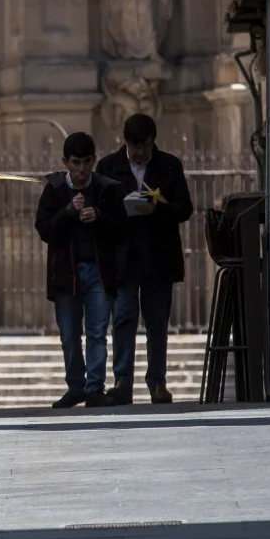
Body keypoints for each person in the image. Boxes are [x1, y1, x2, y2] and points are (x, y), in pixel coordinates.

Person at [95, 113, 193, 405]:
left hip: (158, 256)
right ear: (124, 142)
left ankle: (157, 383)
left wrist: (157, 211)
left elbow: (185, 208)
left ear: (153, 141)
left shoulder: (169, 166)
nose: (139, 152)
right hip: (123, 257)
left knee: (157, 322)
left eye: (145, 146)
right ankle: (123, 382)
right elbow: (100, 212)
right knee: (123, 318)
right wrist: (121, 212)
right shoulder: (109, 167)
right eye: (134, 146)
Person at [35, 132, 128, 409]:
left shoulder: (107, 189)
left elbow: (122, 228)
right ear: (66, 162)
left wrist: (98, 217)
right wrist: (67, 212)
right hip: (66, 274)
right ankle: (76, 387)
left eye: (86, 162)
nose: (81, 169)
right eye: (75, 163)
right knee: (69, 334)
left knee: (98, 331)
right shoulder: (54, 189)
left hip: (98, 272)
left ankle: (94, 388)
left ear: (93, 161)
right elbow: (44, 229)